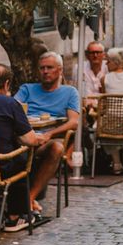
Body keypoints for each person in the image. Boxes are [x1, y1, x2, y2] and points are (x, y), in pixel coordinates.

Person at [6, 56, 80, 222]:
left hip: (48, 139)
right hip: (23, 138)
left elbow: (74, 122)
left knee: (57, 149)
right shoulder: (27, 89)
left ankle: (29, 198)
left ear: (60, 70)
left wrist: (50, 134)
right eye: (42, 68)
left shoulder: (70, 92)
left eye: (49, 68)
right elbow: (11, 109)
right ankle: (22, 201)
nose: (45, 72)